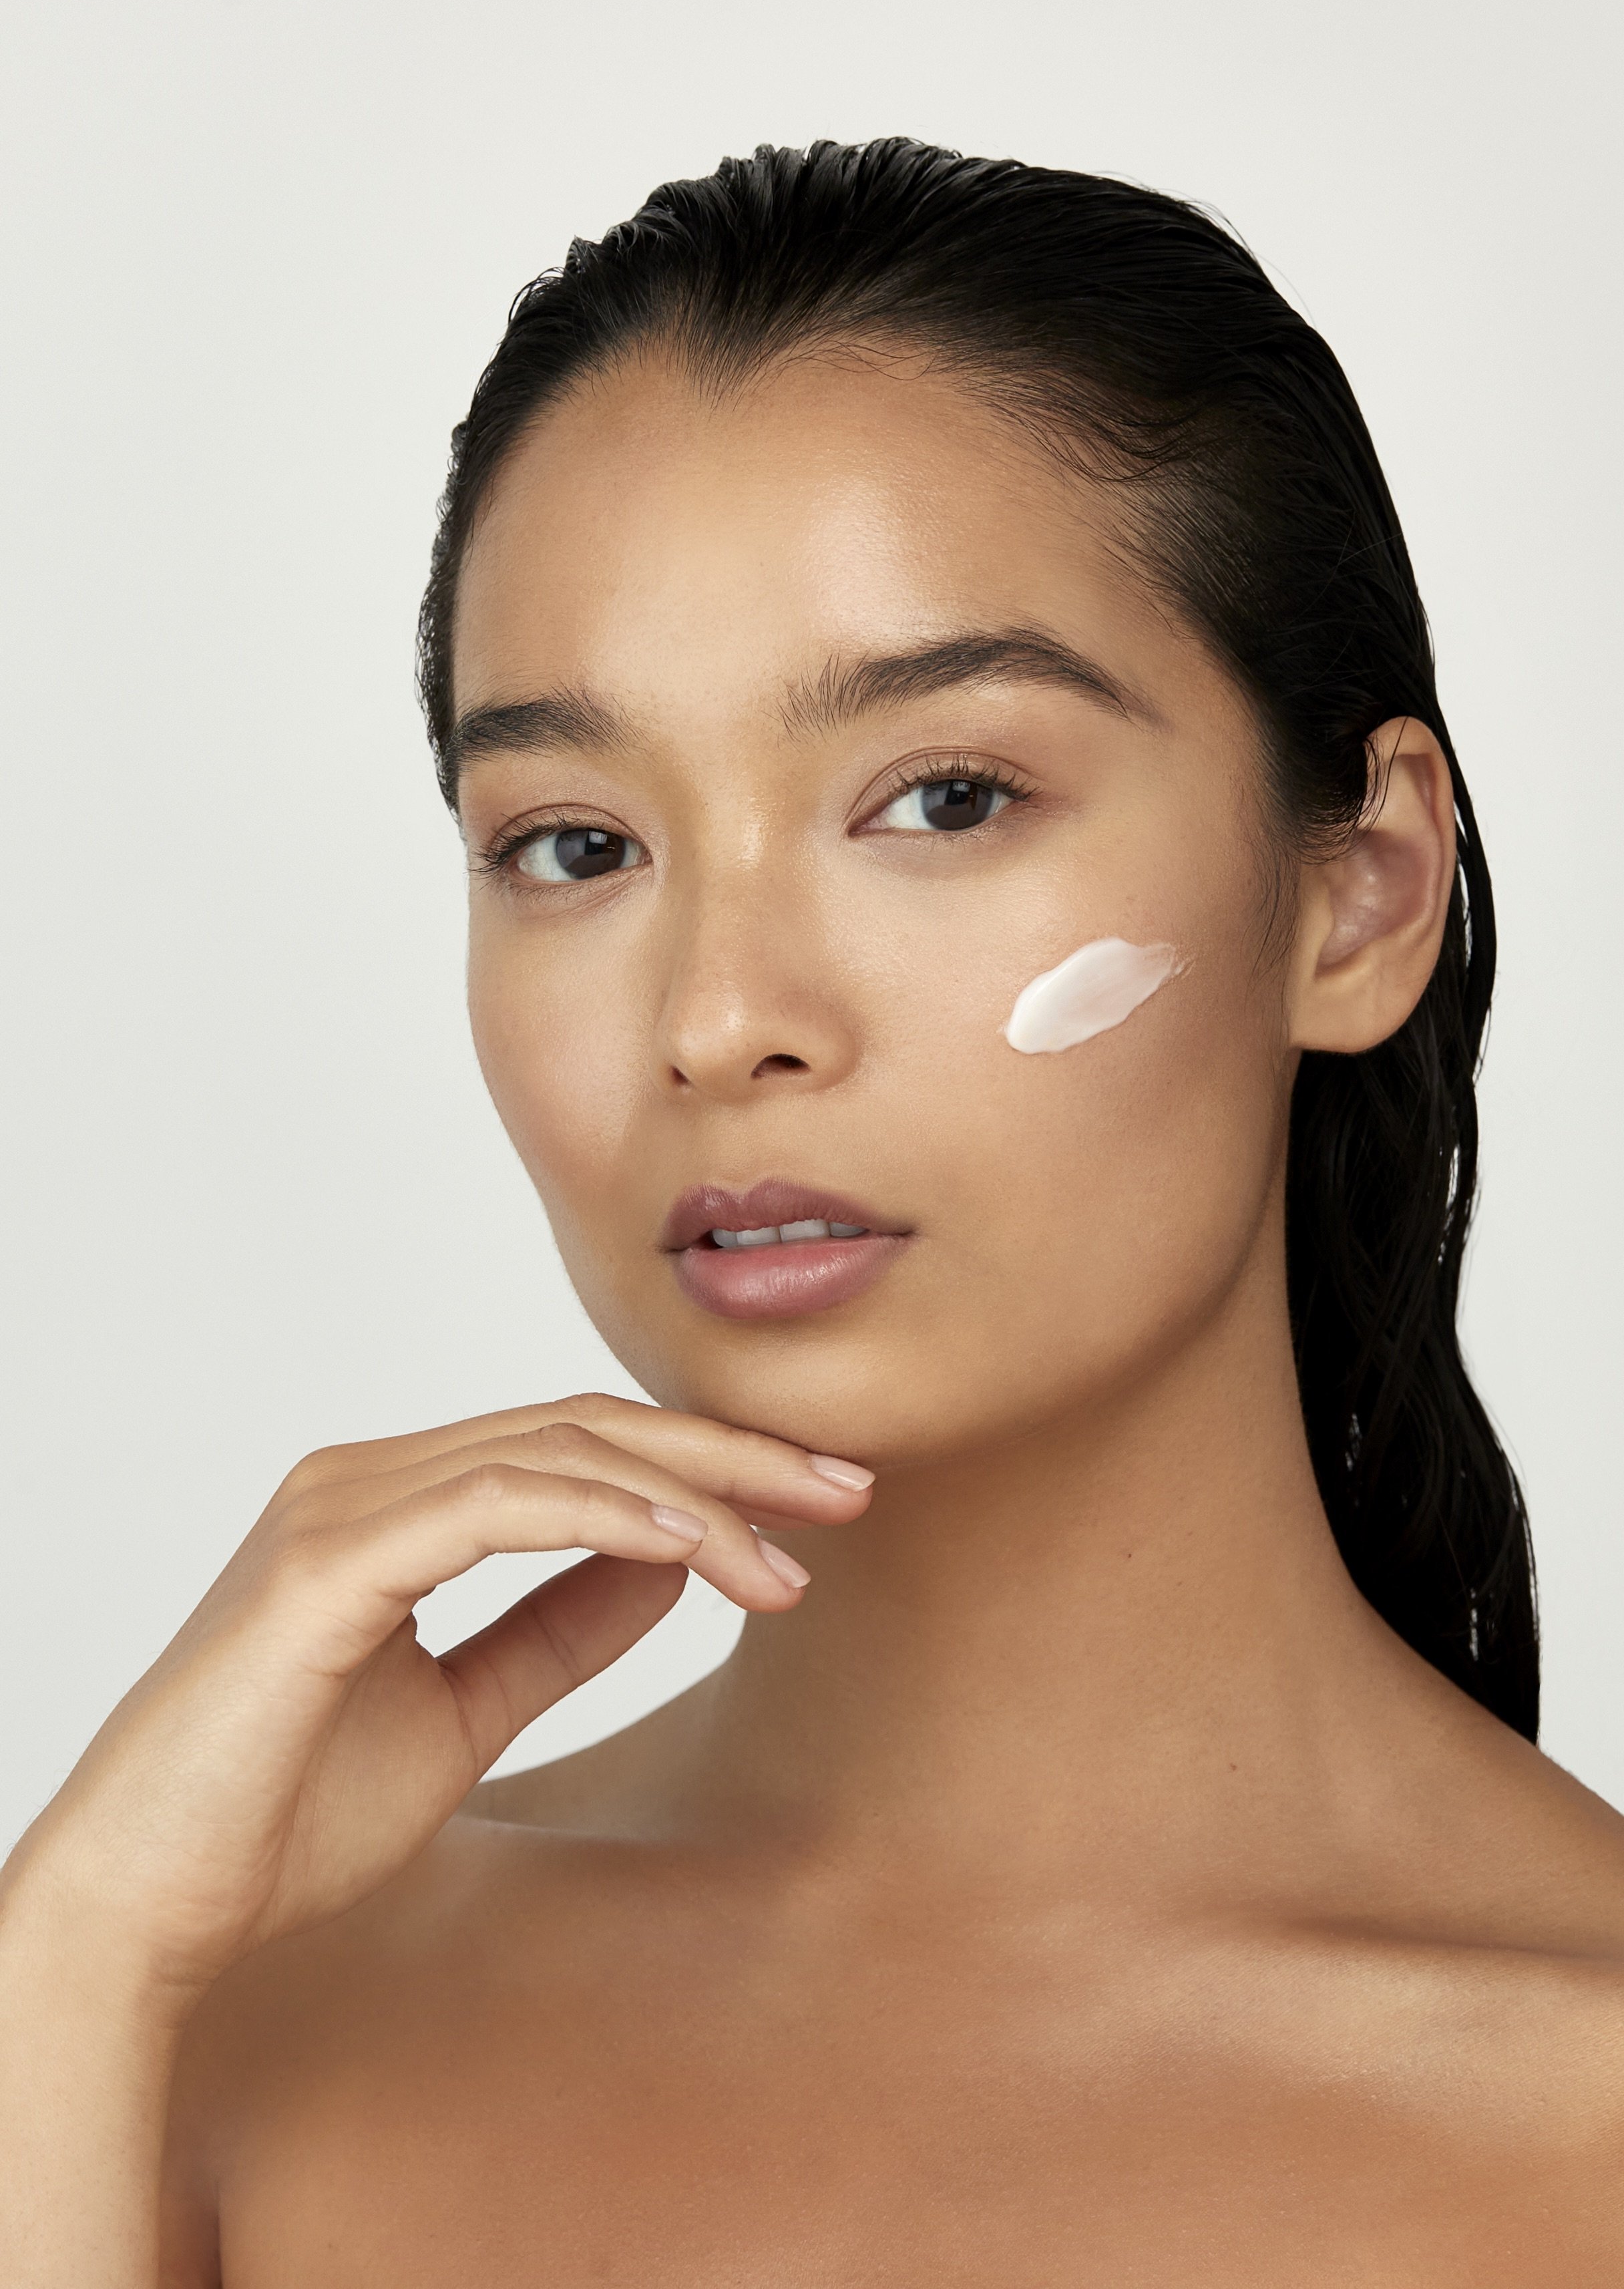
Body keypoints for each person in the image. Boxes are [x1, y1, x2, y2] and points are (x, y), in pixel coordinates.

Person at [4, 138, 1622, 2285]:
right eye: (575, 846)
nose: (720, 1018)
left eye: (946, 798)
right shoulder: (218, 2037)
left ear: (1360, 895)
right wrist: (76, 1957)